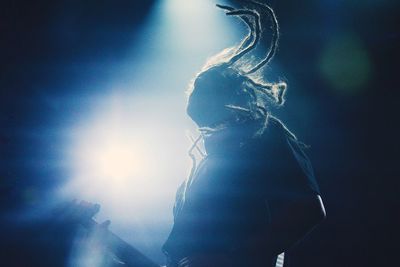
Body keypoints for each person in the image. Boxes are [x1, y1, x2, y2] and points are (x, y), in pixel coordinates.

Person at [162, 2, 326, 267]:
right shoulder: (204, 163)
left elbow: (308, 210)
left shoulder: (264, 135)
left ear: (228, 98)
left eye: (203, 89)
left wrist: (234, 257)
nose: (195, 89)